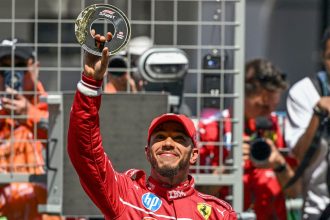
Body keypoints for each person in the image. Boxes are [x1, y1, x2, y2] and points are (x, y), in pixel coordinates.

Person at [67, 32, 237, 219]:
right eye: (160, 137)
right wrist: (90, 84)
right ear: (147, 152)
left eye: (179, 138)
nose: (168, 143)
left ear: (194, 154)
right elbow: (86, 154)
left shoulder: (219, 213)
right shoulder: (126, 195)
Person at [197, 58, 300, 219]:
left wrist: (280, 165)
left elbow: (295, 192)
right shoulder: (212, 131)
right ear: (241, 95)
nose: (269, 113)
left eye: (273, 106)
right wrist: (227, 169)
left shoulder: (281, 127)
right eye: (262, 106)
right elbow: (196, 196)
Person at [0, 38, 60, 219]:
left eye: (20, 65)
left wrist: (29, 115)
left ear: (36, 67)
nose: (13, 74)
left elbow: (70, 143)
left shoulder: (54, 109)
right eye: (4, 67)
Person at [285, 27, 330, 219]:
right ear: (322, 57)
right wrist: (318, 113)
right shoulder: (305, 92)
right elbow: (301, 156)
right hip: (318, 210)